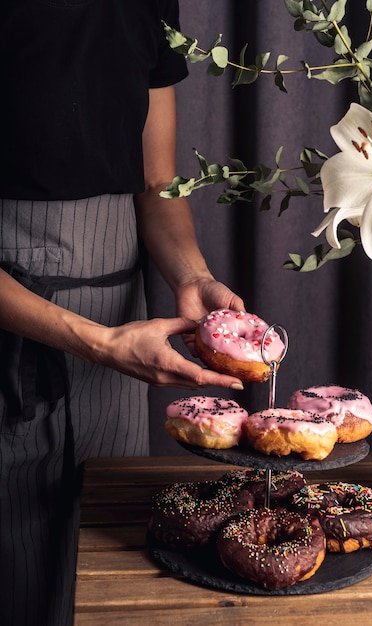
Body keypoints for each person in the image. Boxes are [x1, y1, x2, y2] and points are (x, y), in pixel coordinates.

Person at [0, 2, 245, 624]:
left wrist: (194, 278)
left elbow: (157, 183)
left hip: (122, 326)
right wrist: (97, 341)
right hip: (21, 319)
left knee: (110, 567)